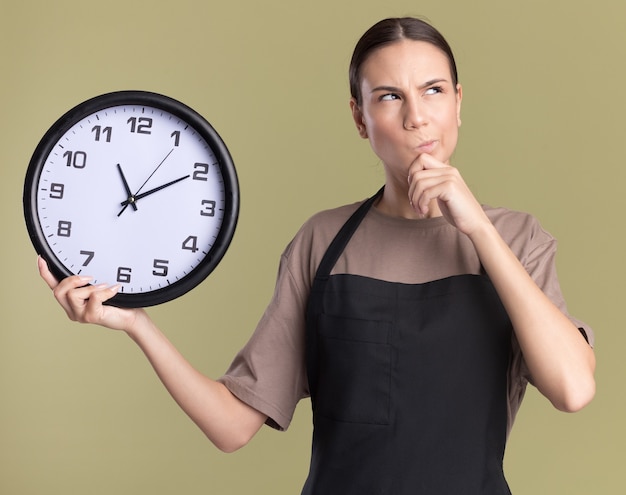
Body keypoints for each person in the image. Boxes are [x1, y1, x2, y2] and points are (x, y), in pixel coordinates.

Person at [38, 16, 595, 494]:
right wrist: (135, 323)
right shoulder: (322, 243)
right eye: (389, 97)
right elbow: (233, 426)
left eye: (433, 90)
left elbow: (573, 389)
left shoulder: (517, 238)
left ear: (457, 103)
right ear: (360, 118)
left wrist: (475, 226)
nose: (416, 117)